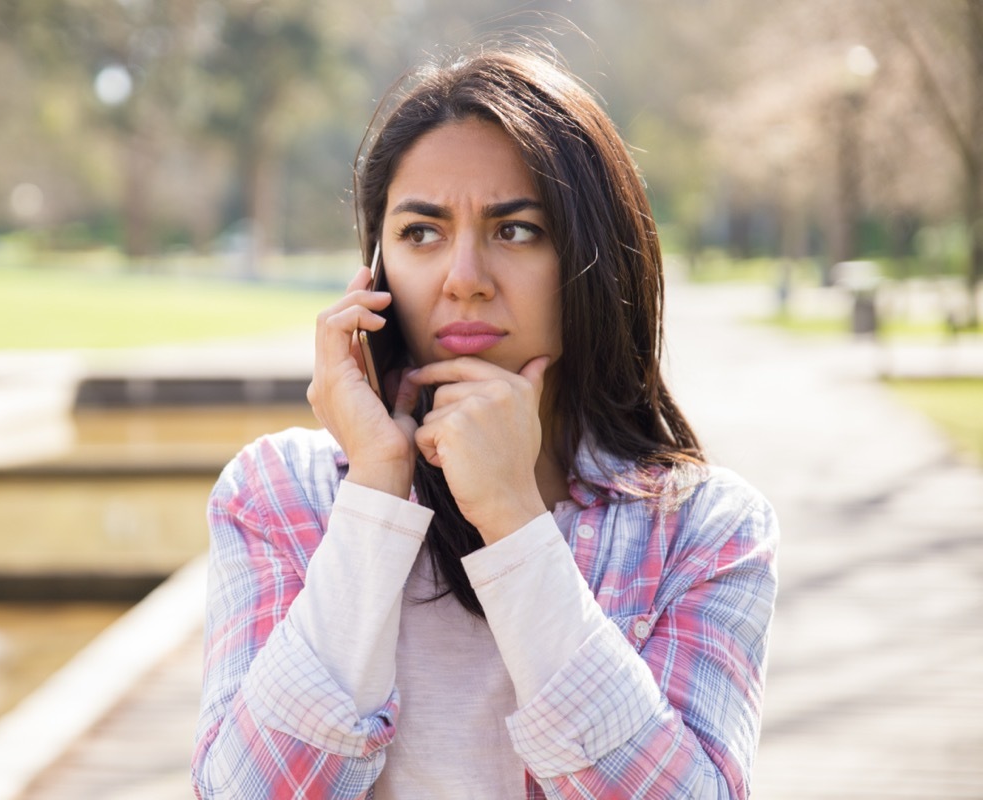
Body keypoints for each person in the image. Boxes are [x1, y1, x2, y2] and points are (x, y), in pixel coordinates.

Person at [192, 42, 778, 800]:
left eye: (516, 230)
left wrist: (513, 518)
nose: (463, 280)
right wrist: (373, 492)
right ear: (374, 272)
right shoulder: (277, 495)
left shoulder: (706, 528)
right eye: (421, 233)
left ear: (592, 259)